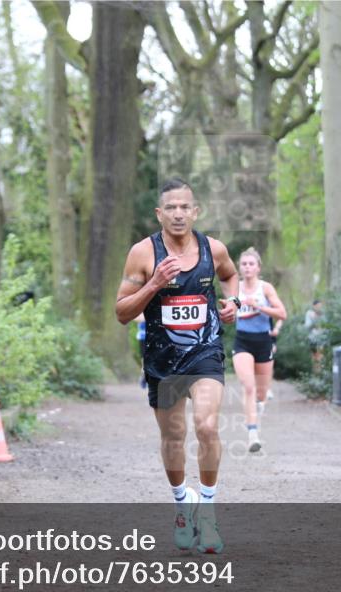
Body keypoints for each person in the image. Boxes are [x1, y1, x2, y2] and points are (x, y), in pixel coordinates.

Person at [115, 178, 240, 554]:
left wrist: (234, 303)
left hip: (205, 353)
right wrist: (154, 283)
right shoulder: (143, 253)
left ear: (195, 211)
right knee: (173, 437)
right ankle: (183, 506)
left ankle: (208, 513)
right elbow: (122, 312)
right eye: (171, 207)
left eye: (185, 207)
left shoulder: (213, 249)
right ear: (160, 213)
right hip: (163, 359)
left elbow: (230, 276)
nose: (178, 213)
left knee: (206, 425)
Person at [231, 248, 287, 453]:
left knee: (261, 394)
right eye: (244, 264)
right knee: (248, 386)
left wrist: (259, 307)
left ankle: (257, 409)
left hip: (263, 342)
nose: (247, 267)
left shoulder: (265, 288)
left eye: (251, 264)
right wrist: (226, 311)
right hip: (242, 342)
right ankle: (252, 434)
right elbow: (228, 312)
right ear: (239, 267)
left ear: (258, 268)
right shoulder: (234, 288)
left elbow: (282, 313)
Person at [304, 299, 325, 373]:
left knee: (320, 355)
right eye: (318, 306)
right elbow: (307, 326)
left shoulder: (322, 314)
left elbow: (325, 326)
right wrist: (314, 319)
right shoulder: (309, 313)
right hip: (312, 338)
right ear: (314, 306)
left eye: (320, 306)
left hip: (321, 338)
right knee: (314, 356)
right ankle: (314, 373)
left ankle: (320, 372)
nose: (319, 307)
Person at [133, 313, 147, 389]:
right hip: (143, 338)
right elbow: (136, 317)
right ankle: (143, 378)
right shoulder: (141, 308)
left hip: (155, 337)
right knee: (144, 360)